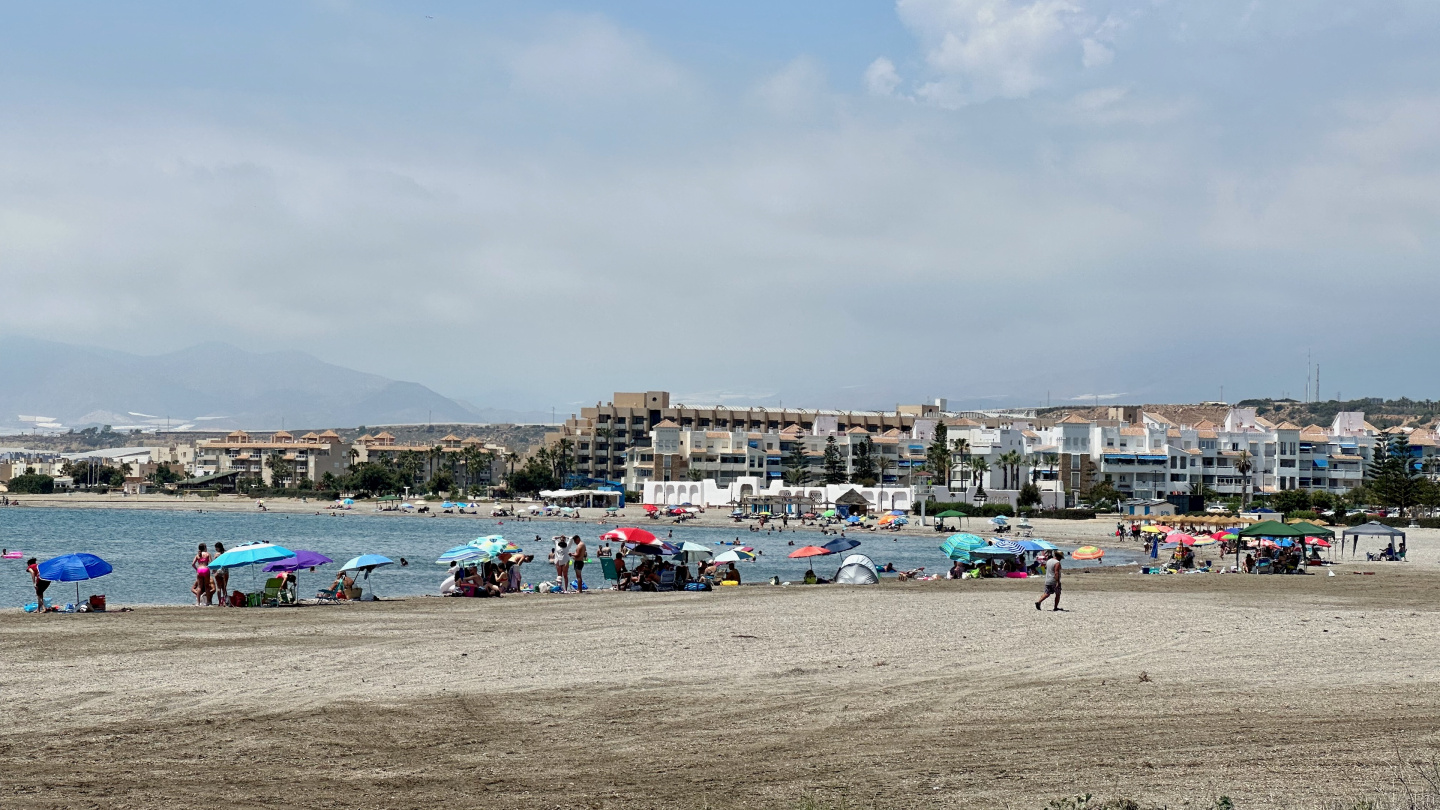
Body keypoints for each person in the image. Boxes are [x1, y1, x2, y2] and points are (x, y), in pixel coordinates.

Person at [212, 542, 229, 607]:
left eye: (216, 547)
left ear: (218, 548)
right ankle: (224, 602)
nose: (215, 549)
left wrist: (213, 570)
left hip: (218, 571)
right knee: (224, 588)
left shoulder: (216, 554)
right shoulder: (226, 553)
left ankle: (219, 602)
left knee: (218, 587)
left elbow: (215, 563)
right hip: (225, 571)